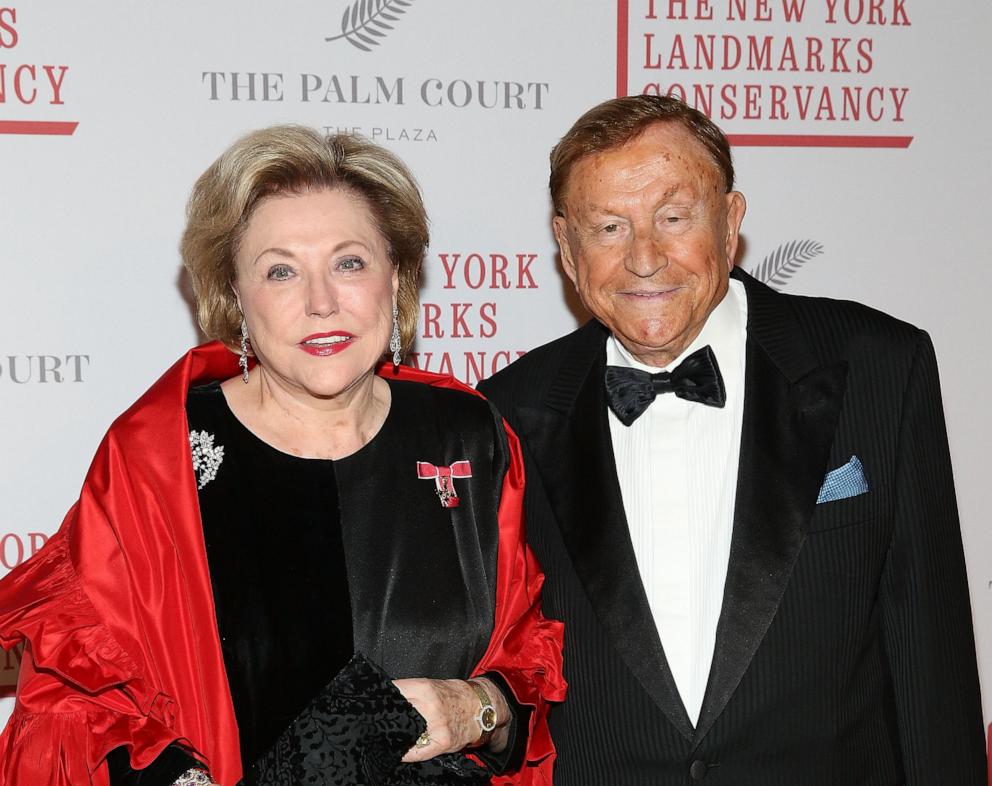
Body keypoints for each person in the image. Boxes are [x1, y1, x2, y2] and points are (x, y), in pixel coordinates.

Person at [0, 126, 564, 786]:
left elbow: (528, 667)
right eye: (281, 270)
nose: (322, 303)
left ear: (398, 276)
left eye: (349, 262)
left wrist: (477, 710)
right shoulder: (162, 455)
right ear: (235, 296)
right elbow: (77, 707)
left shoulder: (468, 436)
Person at [478, 95, 987, 784]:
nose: (645, 259)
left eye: (673, 217)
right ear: (567, 249)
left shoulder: (878, 367)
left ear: (730, 223)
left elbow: (933, 665)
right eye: (608, 228)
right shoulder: (505, 411)